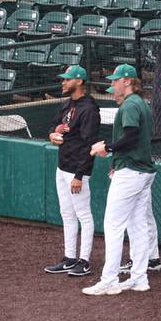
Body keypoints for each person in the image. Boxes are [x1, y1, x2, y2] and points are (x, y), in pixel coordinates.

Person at [84, 64, 156, 296]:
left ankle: (109, 280)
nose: (112, 86)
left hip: (132, 172)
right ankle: (139, 278)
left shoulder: (131, 104)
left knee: (113, 226)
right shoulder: (141, 104)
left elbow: (131, 136)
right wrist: (116, 158)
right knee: (137, 226)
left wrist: (108, 147)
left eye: (115, 81)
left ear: (127, 81)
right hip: (142, 171)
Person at [44, 65, 101, 277]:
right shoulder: (68, 104)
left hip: (77, 171)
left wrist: (79, 175)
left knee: (83, 215)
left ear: (79, 81)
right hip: (62, 166)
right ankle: (69, 258)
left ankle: (84, 261)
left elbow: (90, 145)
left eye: (67, 80)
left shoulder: (89, 109)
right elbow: (53, 126)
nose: (63, 83)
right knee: (67, 214)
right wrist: (52, 134)